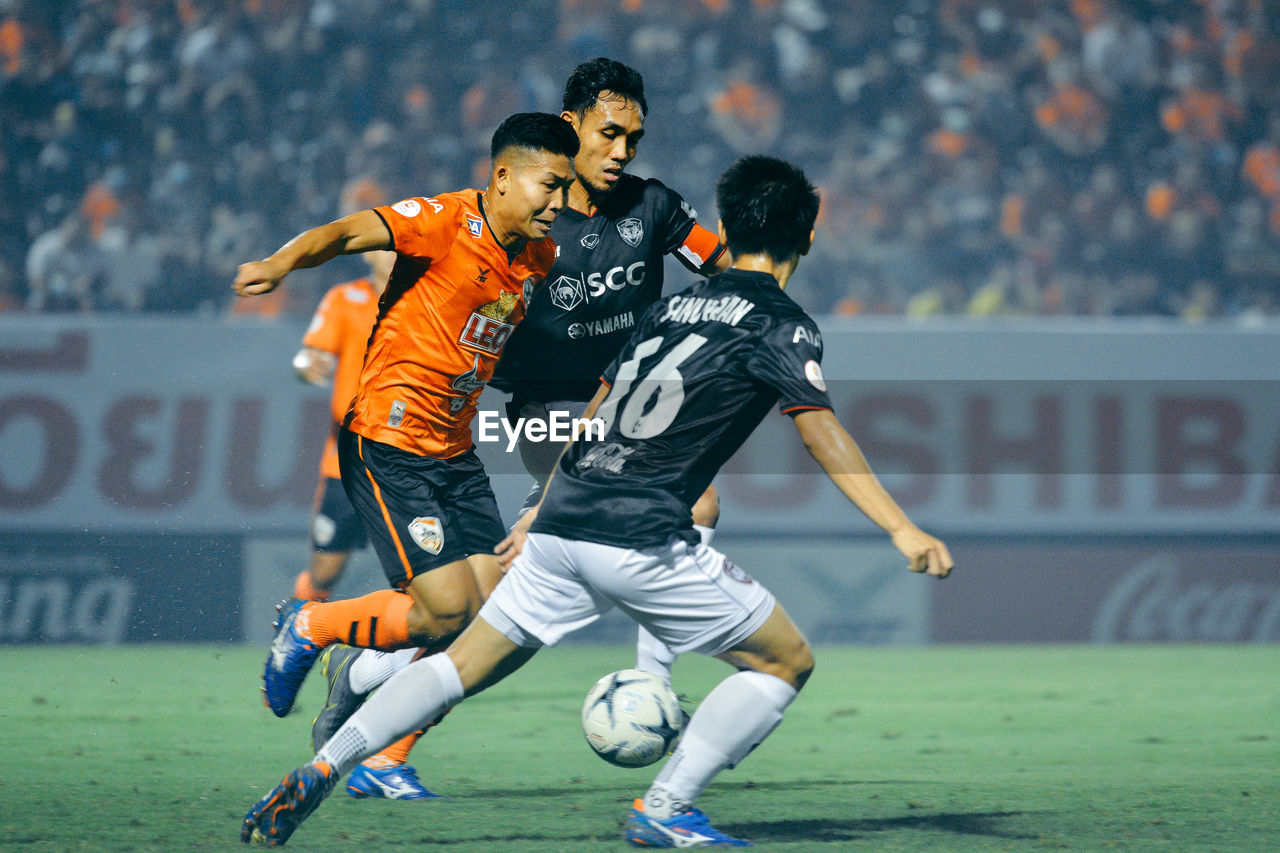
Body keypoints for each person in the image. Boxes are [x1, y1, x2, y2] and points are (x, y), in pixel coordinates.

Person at [241, 155, 954, 848]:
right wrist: (901, 527)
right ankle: (667, 806)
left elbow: (597, 412)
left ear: (728, 228)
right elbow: (820, 432)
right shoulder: (780, 323)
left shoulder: (671, 307)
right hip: (637, 535)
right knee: (784, 662)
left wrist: (539, 508)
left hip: (564, 521)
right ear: (808, 234)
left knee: (459, 661)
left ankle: (325, 764)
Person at [309, 60, 732, 745]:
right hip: (544, 405)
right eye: (609, 132)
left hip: (619, 405)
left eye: (634, 137)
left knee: (511, 603)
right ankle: (652, 685)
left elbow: (723, 266)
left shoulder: (654, 208)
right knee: (693, 504)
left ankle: (368, 681)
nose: (622, 151)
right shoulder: (530, 219)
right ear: (571, 128)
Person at [232, 112, 578, 728]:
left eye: (565, 186)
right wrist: (282, 263)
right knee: (444, 609)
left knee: (487, 612)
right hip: (387, 443)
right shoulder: (445, 221)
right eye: (549, 184)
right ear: (503, 177)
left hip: (454, 451)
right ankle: (311, 623)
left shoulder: (539, 256)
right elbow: (346, 234)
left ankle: (355, 672)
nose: (559, 200)